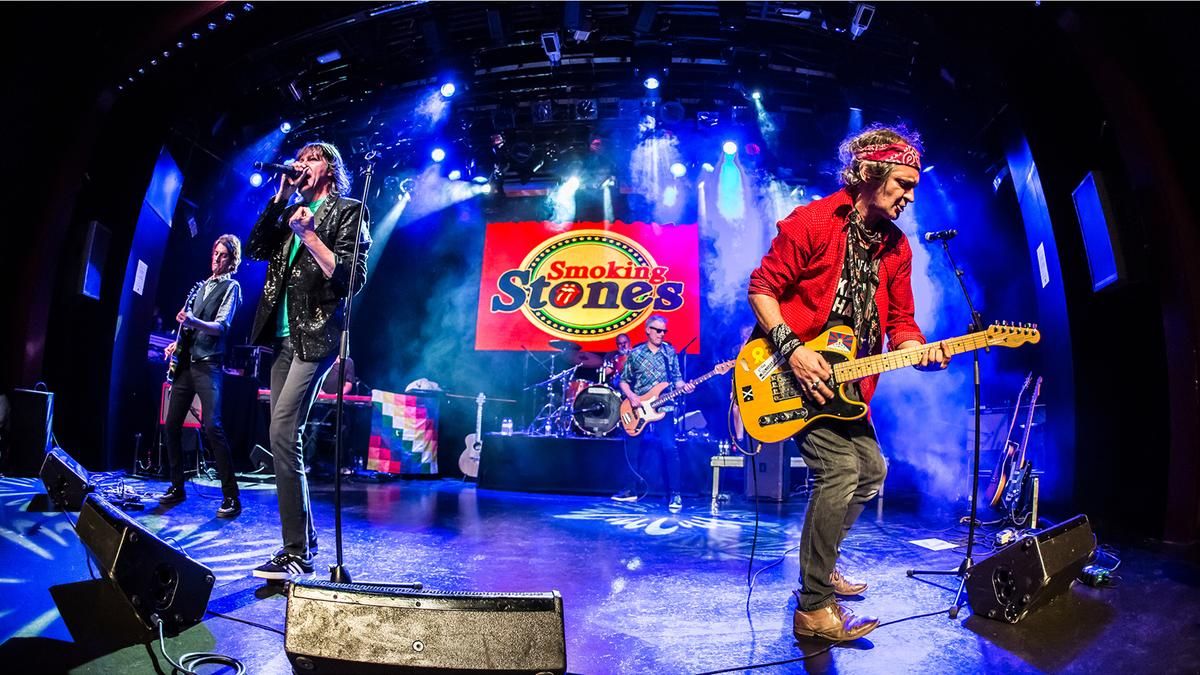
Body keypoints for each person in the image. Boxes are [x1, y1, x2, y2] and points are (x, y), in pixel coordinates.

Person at [747, 124, 950, 642]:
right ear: (868, 174)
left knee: (872, 471)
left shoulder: (897, 248)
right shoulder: (813, 221)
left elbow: (901, 321)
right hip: (788, 373)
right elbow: (762, 288)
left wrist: (917, 351)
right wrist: (794, 350)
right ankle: (814, 607)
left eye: (913, 187)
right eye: (902, 184)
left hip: (850, 386)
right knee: (838, 470)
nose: (909, 197)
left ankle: (822, 562)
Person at [246, 141, 371, 581]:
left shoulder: (348, 210)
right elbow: (254, 248)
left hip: (317, 336)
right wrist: (279, 199)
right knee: (284, 435)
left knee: (282, 430)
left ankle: (295, 551)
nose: (299, 164)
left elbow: (351, 277)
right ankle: (304, 542)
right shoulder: (289, 211)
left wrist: (310, 235)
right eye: (297, 159)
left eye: (310, 159)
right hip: (283, 337)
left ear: (330, 169)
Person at [159, 235, 244, 518]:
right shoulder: (200, 287)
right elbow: (188, 330)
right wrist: (176, 345)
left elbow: (221, 326)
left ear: (232, 260)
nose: (216, 259)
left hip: (209, 365)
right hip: (187, 364)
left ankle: (231, 497)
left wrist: (193, 321)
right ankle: (177, 486)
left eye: (223, 255)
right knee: (171, 425)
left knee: (213, 427)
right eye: (215, 253)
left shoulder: (232, 287)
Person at [612, 315, 694, 512]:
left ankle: (675, 494)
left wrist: (685, 386)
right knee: (632, 449)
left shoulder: (669, 352)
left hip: (664, 407)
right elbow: (624, 381)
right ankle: (631, 490)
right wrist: (632, 396)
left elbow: (677, 379)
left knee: (670, 448)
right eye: (658, 330)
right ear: (648, 330)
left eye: (664, 331)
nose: (661, 334)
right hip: (638, 408)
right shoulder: (636, 353)